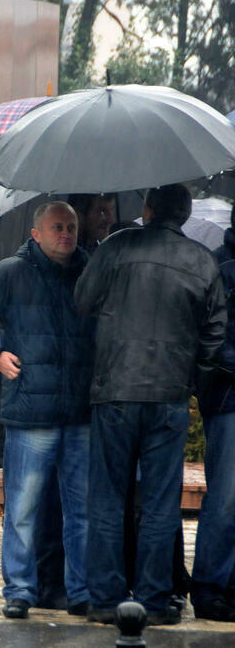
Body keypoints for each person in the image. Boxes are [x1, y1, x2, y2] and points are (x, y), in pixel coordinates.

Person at [75, 184, 226, 625]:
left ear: (147, 209)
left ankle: (105, 598)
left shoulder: (116, 247)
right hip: (169, 397)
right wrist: (192, 374)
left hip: (115, 390)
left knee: (106, 497)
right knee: (161, 502)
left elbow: (82, 302)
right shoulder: (201, 259)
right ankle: (156, 599)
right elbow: (215, 332)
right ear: (184, 214)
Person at [0, 202, 94, 620]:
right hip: (31, 412)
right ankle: (19, 589)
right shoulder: (11, 272)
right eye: (56, 227)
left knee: (80, 510)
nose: (65, 233)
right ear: (36, 233)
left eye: (70, 226)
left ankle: (79, 590)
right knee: (24, 509)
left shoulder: (89, 271)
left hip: (80, 410)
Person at [191, 204, 235, 622]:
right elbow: (209, 338)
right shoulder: (218, 269)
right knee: (225, 497)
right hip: (228, 399)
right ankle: (208, 587)